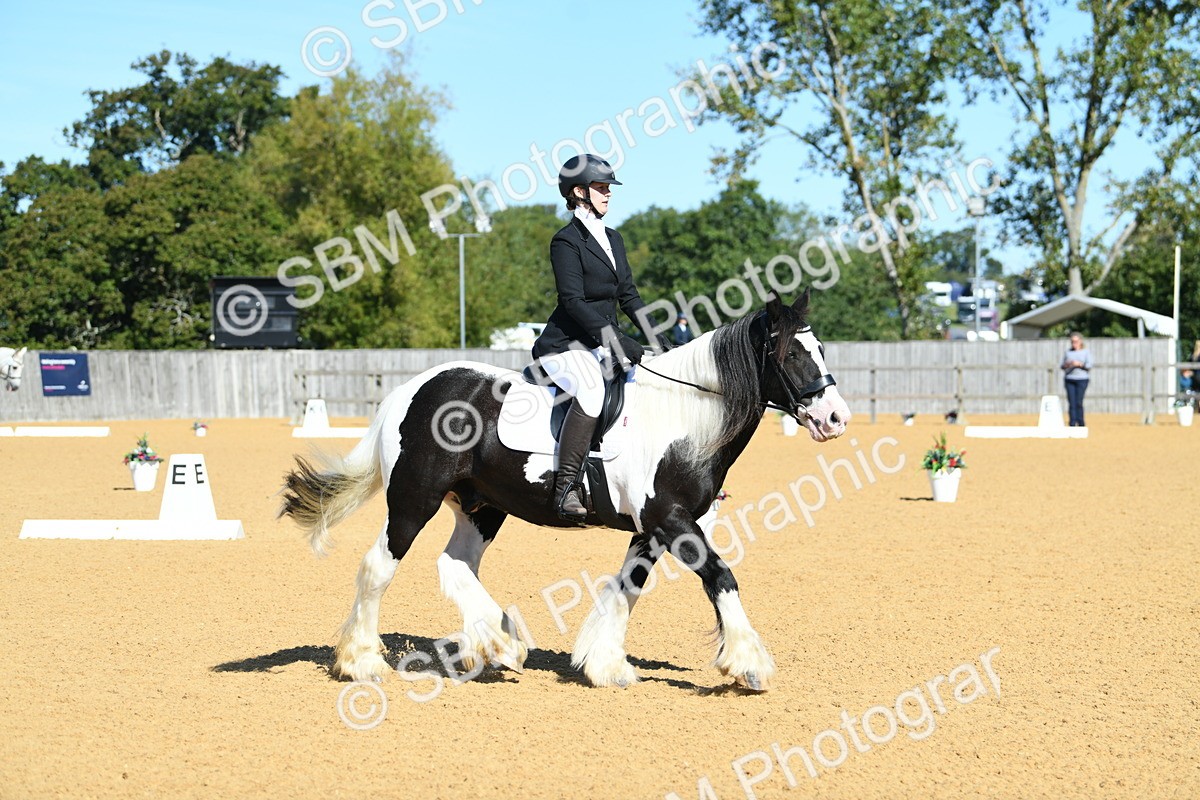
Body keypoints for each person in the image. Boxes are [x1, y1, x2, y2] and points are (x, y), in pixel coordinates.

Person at [532, 154, 663, 523]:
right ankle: (566, 487)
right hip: (565, 347)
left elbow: (629, 296)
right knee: (591, 391)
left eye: (609, 188)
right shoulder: (566, 241)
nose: (608, 194)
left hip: (602, 346)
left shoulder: (614, 239)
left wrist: (661, 339)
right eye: (601, 187)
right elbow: (572, 302)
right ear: (579, 192)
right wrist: (617, 340)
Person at [1061, 331, 1092, 427]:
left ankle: (1081, 423)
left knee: (1079, 402)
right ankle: (1072, 423)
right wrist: (1068, 364)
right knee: (1071, 402)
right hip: (1069, 379)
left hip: (1082, 379)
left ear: (1080, 341)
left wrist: (1079, 364)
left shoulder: (1086, 352)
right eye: (1072, 342)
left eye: (1076, 341)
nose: (1074, 343)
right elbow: (1062, 366)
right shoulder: (1068, 352)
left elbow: (1089, 366)